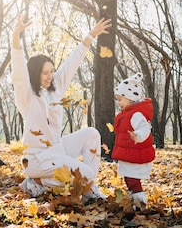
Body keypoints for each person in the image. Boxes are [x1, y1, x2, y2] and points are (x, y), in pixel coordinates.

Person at [11, 13, 112, 199]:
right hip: (36, 159)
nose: (49, 76)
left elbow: (71, 63)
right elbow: (18, 71)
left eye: (51, 71)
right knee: (87, 174)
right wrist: (15, 36)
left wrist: (90, 36)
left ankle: (88, 188)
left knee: (92, 134)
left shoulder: (54, 88)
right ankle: (38, 180)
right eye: (44, 73)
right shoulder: (27, 96)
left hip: (56, 150)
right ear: (34, 74)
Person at [111, 73, 155, 207]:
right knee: (129, 178)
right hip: (129, 152)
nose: (118, 102)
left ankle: (140, 203)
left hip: (134, 152)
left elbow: (145, 128)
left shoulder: (136, 114)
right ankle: (134, 200)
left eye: (120, 99)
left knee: (133, 179)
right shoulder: (127, 113)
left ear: (129, 98)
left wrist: (138, 136)